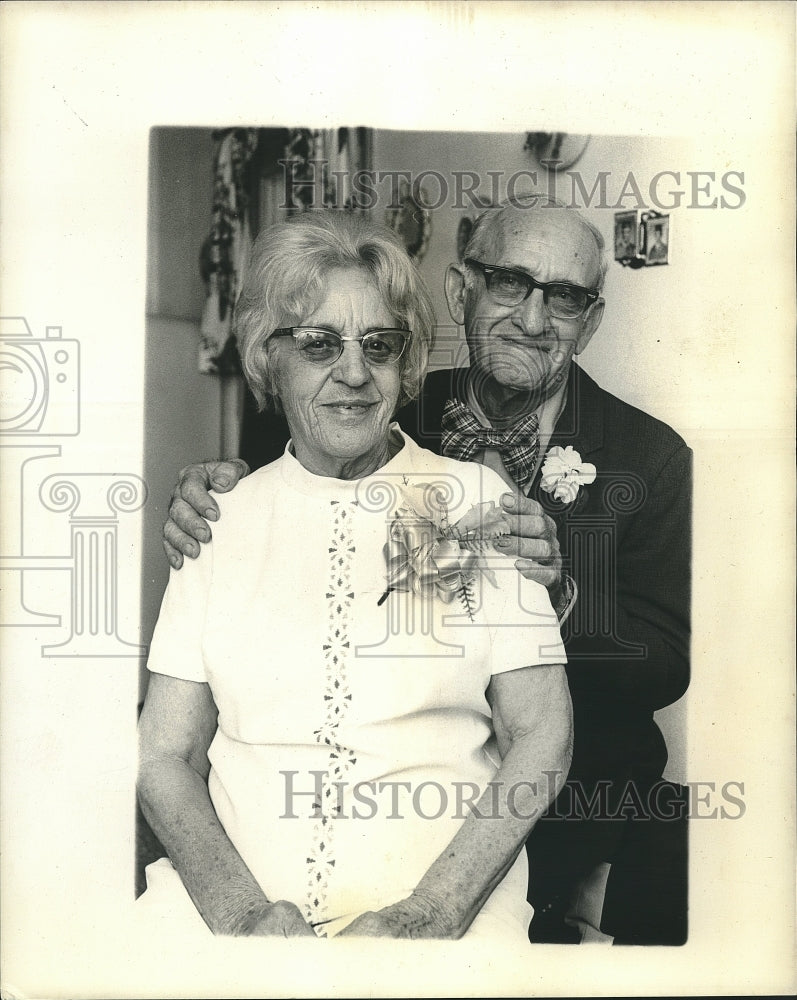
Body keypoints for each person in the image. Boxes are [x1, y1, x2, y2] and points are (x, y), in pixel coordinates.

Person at [163, 196, 691, 944]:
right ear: (458, 291)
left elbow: (663, 668)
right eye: (510, 283)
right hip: (325, 824)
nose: (534, 320)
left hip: (565, 806)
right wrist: (210, 493)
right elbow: (298, 497)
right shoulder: (392, 392)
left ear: (591, 320)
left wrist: (564, 596)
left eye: (565, 298)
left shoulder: (653, 457)